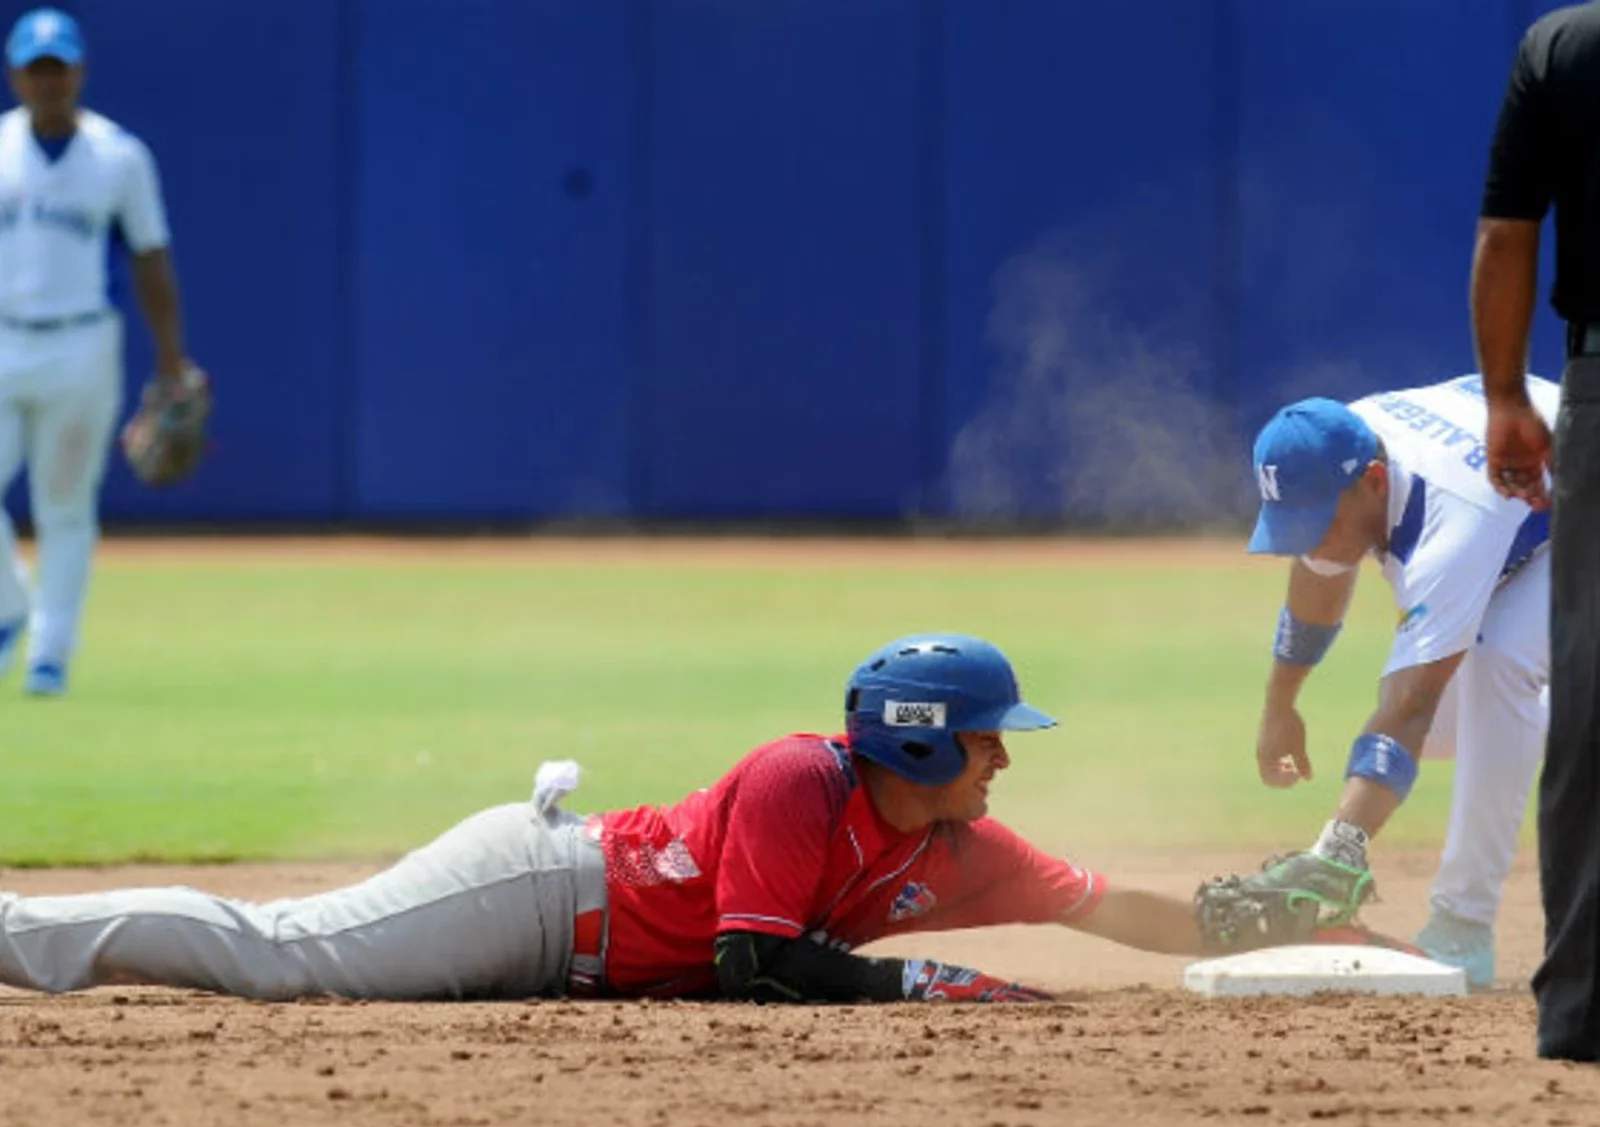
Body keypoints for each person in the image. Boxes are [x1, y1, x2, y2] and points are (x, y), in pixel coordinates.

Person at [0, 632, 1332, 1004]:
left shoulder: (960, 848)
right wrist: (923, 985)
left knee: (287, 958)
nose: (1002, 760)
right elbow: (752, 962)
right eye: (987, 736)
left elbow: (1112, 909)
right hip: (537, 890)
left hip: (576, 949)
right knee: (284, 956)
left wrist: (1248, 920)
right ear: (918, 737)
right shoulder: (799, 778)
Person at [1228, 373, 1557, 990]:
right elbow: (1319, 572)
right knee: (1449, 736)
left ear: (1375, 482)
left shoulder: (1453, 522)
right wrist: (1281, 704)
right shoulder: (1338, 449)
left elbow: (1410, 704)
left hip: (1579, 504)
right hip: (1532, 496)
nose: (1308, 542)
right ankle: (1571, 717)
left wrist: (1337, 850)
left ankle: (1463, 924)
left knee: (1498, 662)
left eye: (1316, 522)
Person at [0, 8, 200, 697]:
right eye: (36, 70)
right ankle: (10, 604)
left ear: (79, 72)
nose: (48, 82)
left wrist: (171, 359)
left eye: (58, 69)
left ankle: (51, 653)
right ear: (15, 75)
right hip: (3, 335)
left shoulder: (118, 156)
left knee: (65, 503)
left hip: (81, 342)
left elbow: (151, 258)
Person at [1473, 1, 1600, 1065]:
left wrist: (1508, 393)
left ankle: (1586, 1009)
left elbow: (1507, 230)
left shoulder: (1564, 45)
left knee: (1594, 691)